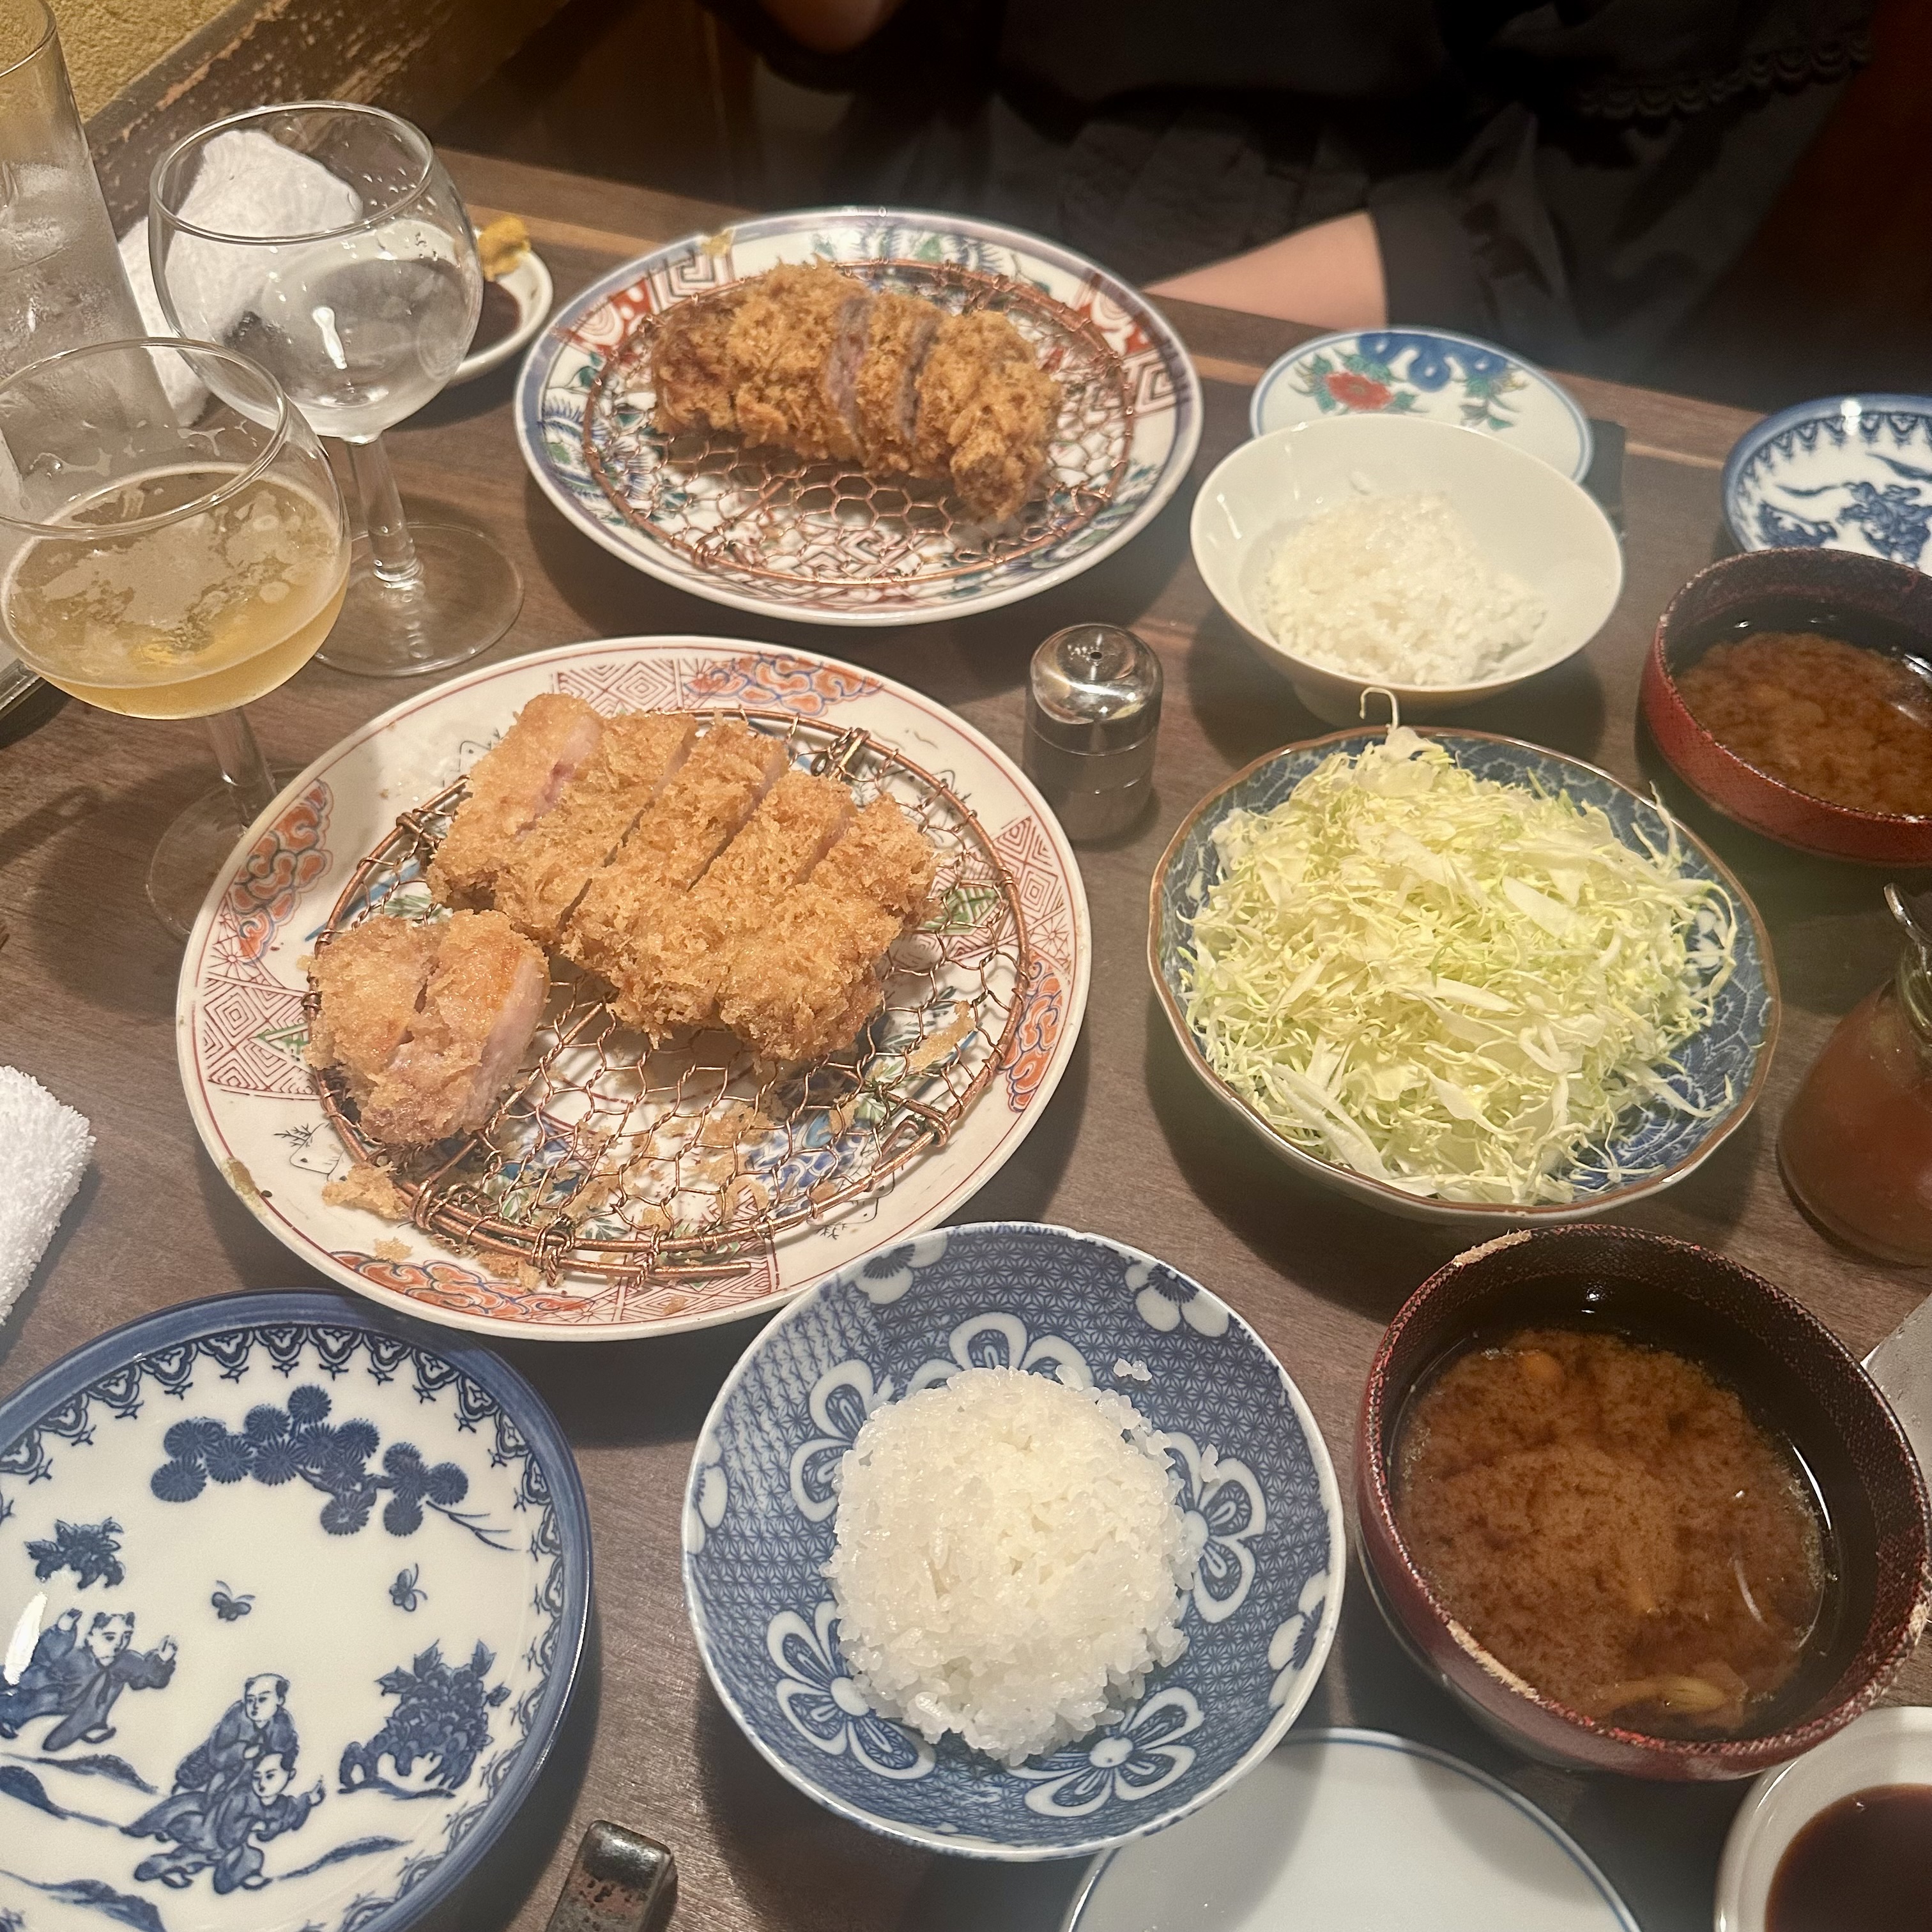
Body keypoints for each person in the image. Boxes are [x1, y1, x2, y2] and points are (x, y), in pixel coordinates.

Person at [710, 0, 1874, 376]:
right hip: (950, 191)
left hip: (1349, 312)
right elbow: (851, 28)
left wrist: (1067, 356)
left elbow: (1553, 228)